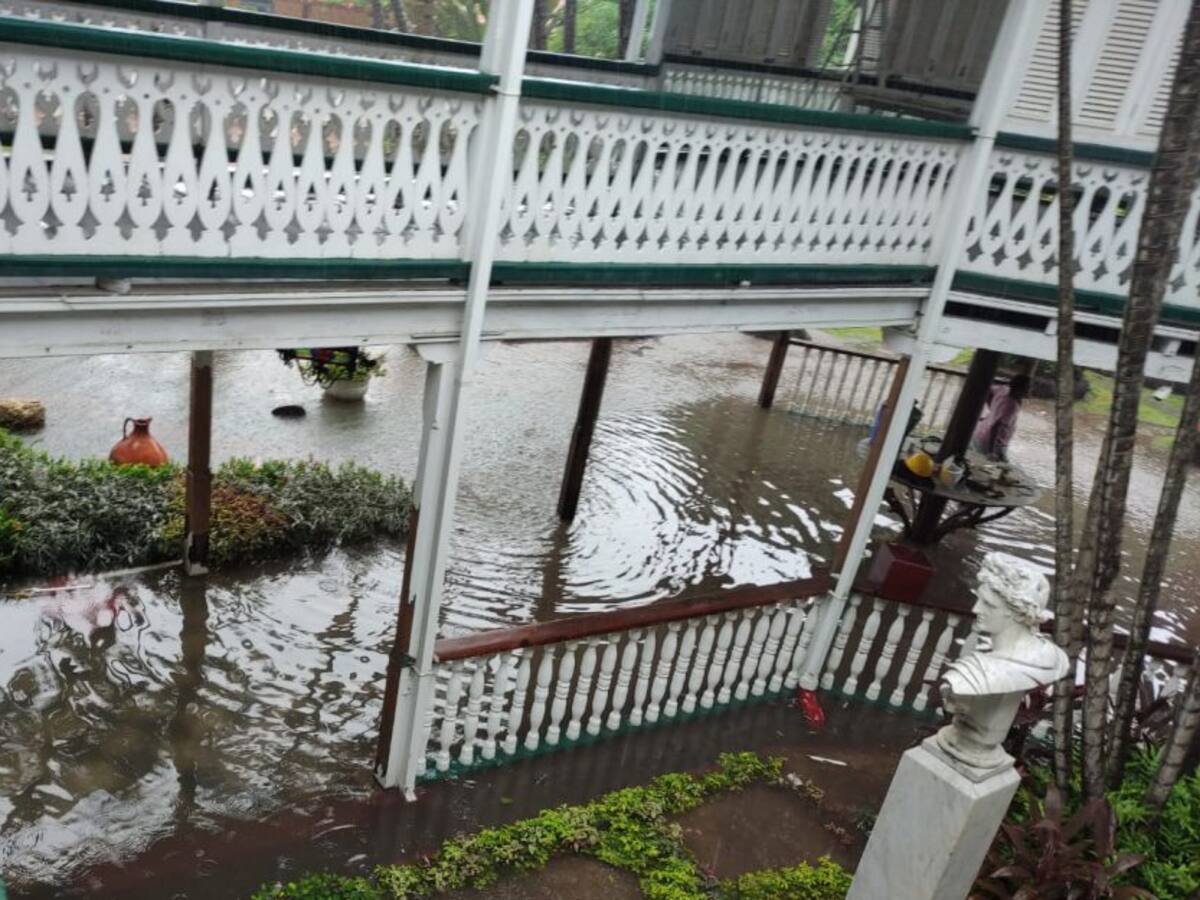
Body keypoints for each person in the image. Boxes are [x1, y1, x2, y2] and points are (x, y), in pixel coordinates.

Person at [970, 373, 1030, 462]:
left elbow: (989, 390)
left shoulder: (1004, 389)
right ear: (1020, 389)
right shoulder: (1011, 406)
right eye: (1028, 387)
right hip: (992, 442)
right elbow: (995, 427)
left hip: (981, 433)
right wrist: (991, 452)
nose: (1030, 390)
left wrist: (992, 410)